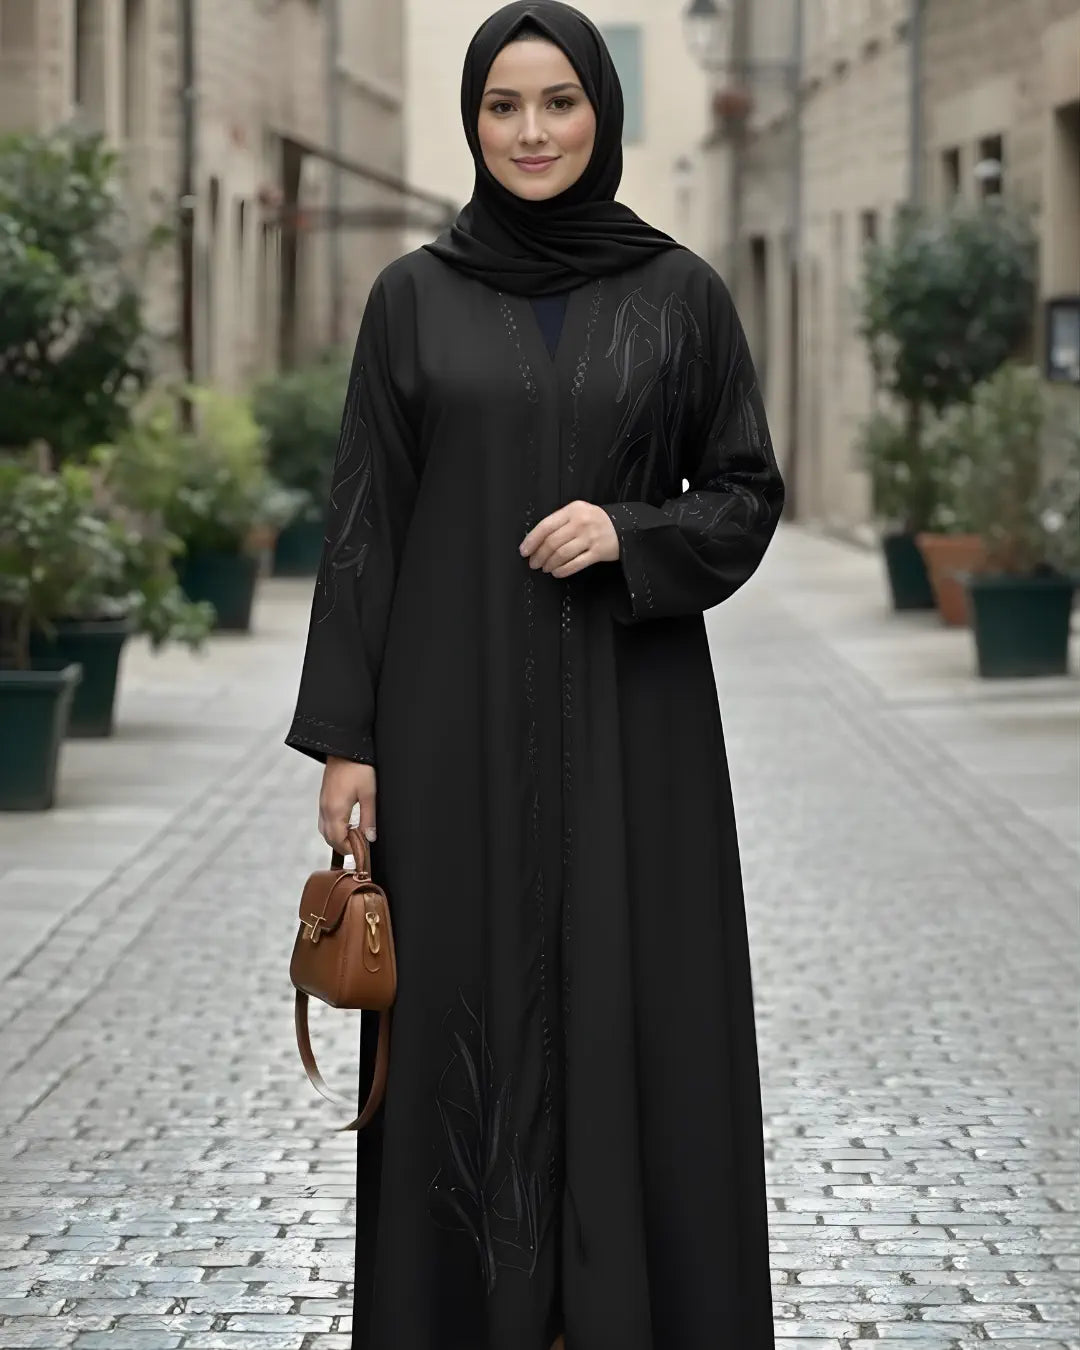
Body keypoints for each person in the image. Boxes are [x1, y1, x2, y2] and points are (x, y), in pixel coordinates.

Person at [285, 3, 784, 1346]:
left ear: (601, 113)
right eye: (504, 106)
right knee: (461, 1007)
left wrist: (634, 529)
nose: (532, 131)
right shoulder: (411, 300)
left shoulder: (682, 295)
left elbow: (746, 493)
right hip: (448, 730)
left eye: (558, 101)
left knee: (641, 1008)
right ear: (473, 120)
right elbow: (363, 524)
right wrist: (347, 737)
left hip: (639, 728)